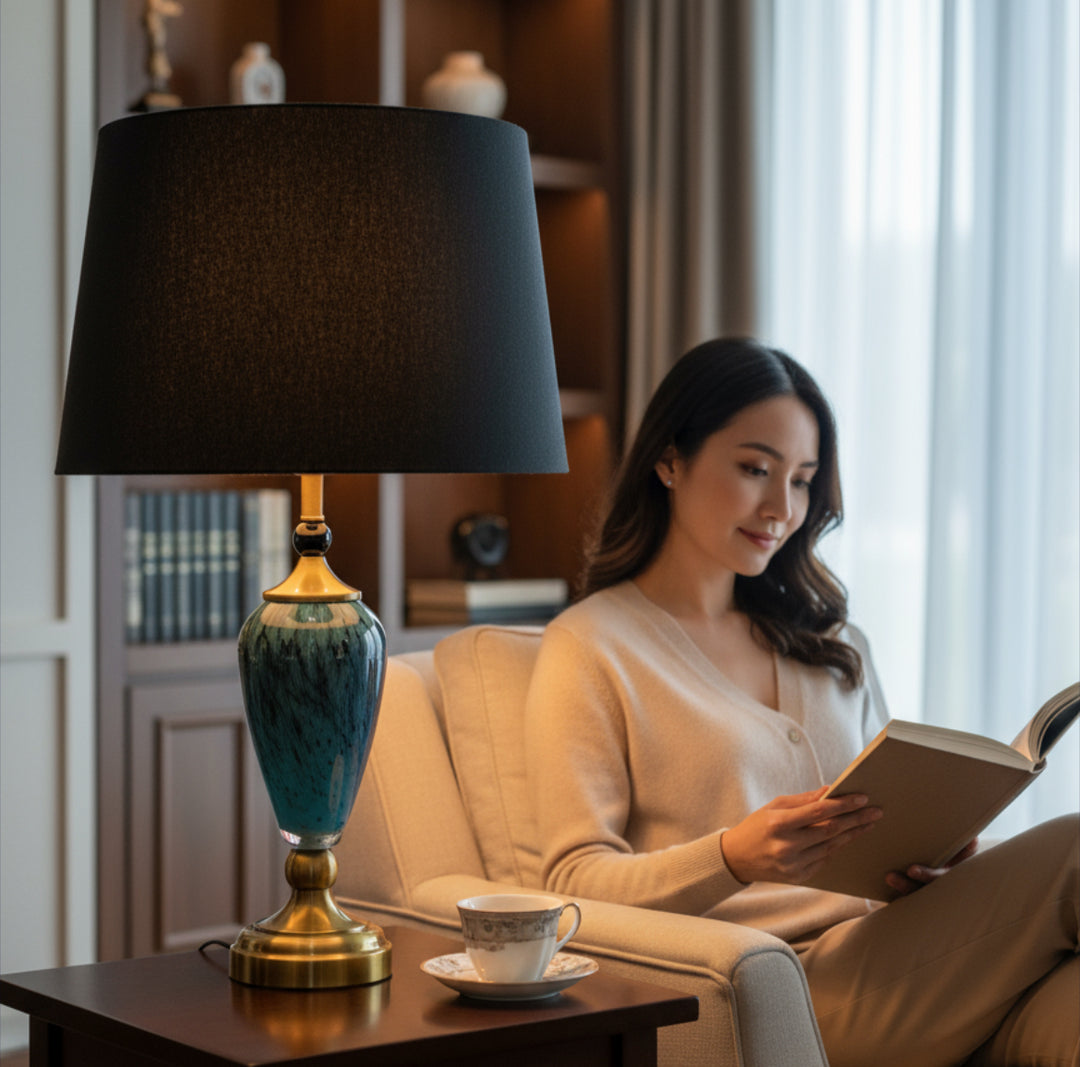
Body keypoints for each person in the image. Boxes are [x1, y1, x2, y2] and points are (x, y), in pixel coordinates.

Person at [524, 337, 1078, 1067]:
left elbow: (887, 815)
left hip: (907, 953)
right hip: (778, 986)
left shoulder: (831, 638)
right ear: (669, 459)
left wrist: (934, 857)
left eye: (804, 479)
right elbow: (568, 888)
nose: (781, 506)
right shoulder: (591, 647)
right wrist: (733, 857)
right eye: (755, 468)